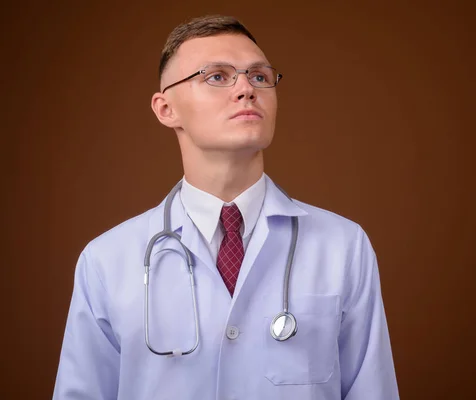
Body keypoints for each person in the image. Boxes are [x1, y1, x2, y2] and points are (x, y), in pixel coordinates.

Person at [53, 15, 399, 400]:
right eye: (217, 76)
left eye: (259, 76)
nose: (246, 89)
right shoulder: (106, 261)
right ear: (166, 108)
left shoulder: (343, 246)